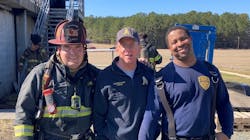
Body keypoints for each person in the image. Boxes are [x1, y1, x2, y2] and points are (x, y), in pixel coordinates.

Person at [139, 26, 234, 140]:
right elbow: (151, 115)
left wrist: (227, 132)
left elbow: (223, 103)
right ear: (169, 48)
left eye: (183, 39)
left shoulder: (211, 72)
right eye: (174, 42)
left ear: (190, 39)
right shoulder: (162, 79)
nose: (179, 44)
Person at [14, 20, 99, 140]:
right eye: (67, 47)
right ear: (58, 49)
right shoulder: (39, 75)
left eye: (78, 47)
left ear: (84, 49)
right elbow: (23, 116)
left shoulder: (95, 76)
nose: (73, 52)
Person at [93, 27, 155, 140]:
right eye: (123, 45)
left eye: (132, 44)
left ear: (139, 48)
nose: (128, 49)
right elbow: (98, 115)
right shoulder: (105, 76)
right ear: (117, 48)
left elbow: (155, 108)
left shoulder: (149, 73)